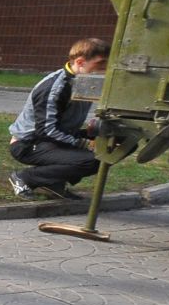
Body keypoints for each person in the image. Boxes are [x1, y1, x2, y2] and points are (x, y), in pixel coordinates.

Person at [9, 37, 110, 199]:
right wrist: (84, 143)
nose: (105, 70)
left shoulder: (85, 79)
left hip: (55, 137)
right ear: (80, 62)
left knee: (106, 152)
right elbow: (46, 131)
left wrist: (91, 130)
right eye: (100, 64)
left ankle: (51, 183)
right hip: (29, 143)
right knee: (90, 160)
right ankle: (25, 178)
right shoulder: (54, 87)